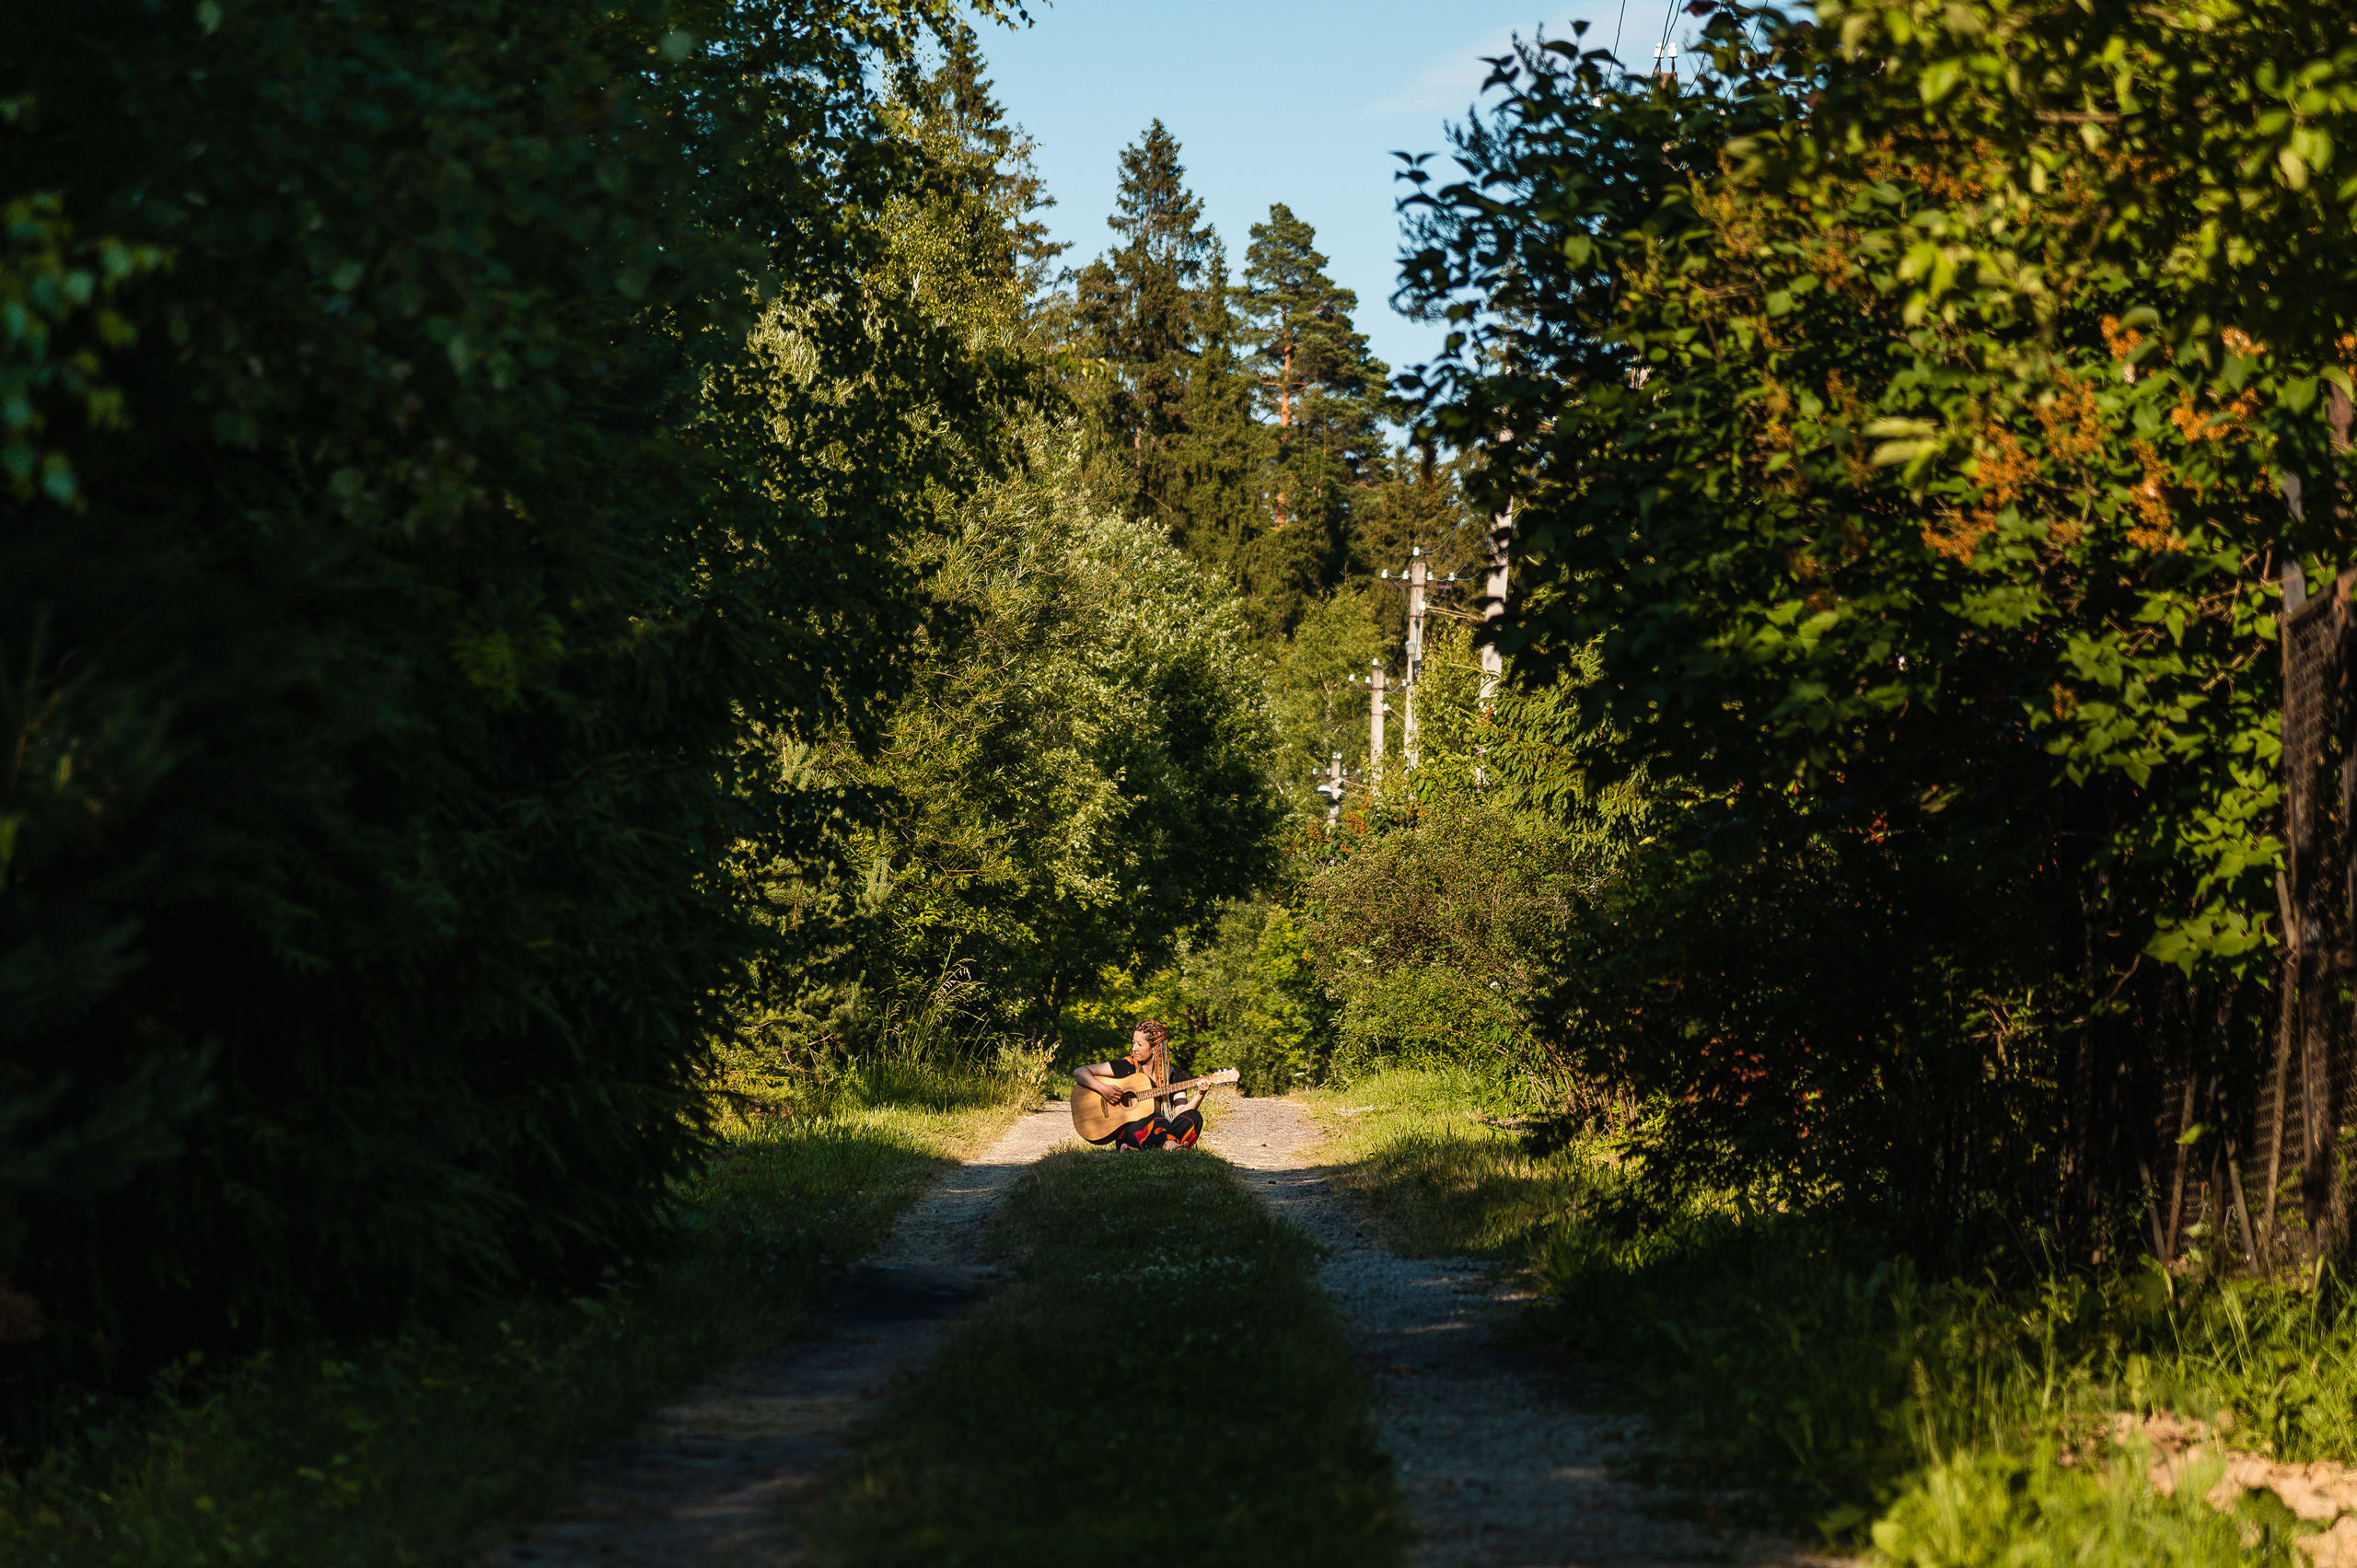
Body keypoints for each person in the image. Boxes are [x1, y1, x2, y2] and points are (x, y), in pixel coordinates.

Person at [1073, 1020, 1201, 1150]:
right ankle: (1171, 1144)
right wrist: (1103, 1089)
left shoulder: (1173, 1074)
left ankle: (1145, 1148)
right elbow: (1079, 1072)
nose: (1134, 1048)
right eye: (1134, 1043)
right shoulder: (1126, 1066)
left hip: (1159, 1127)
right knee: (1156, 1120)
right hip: (1132, 1131)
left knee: (1194, 1117)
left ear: (1154, 1048)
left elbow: (1181, 1112)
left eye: (1139, 1044)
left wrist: (1200, 1094)